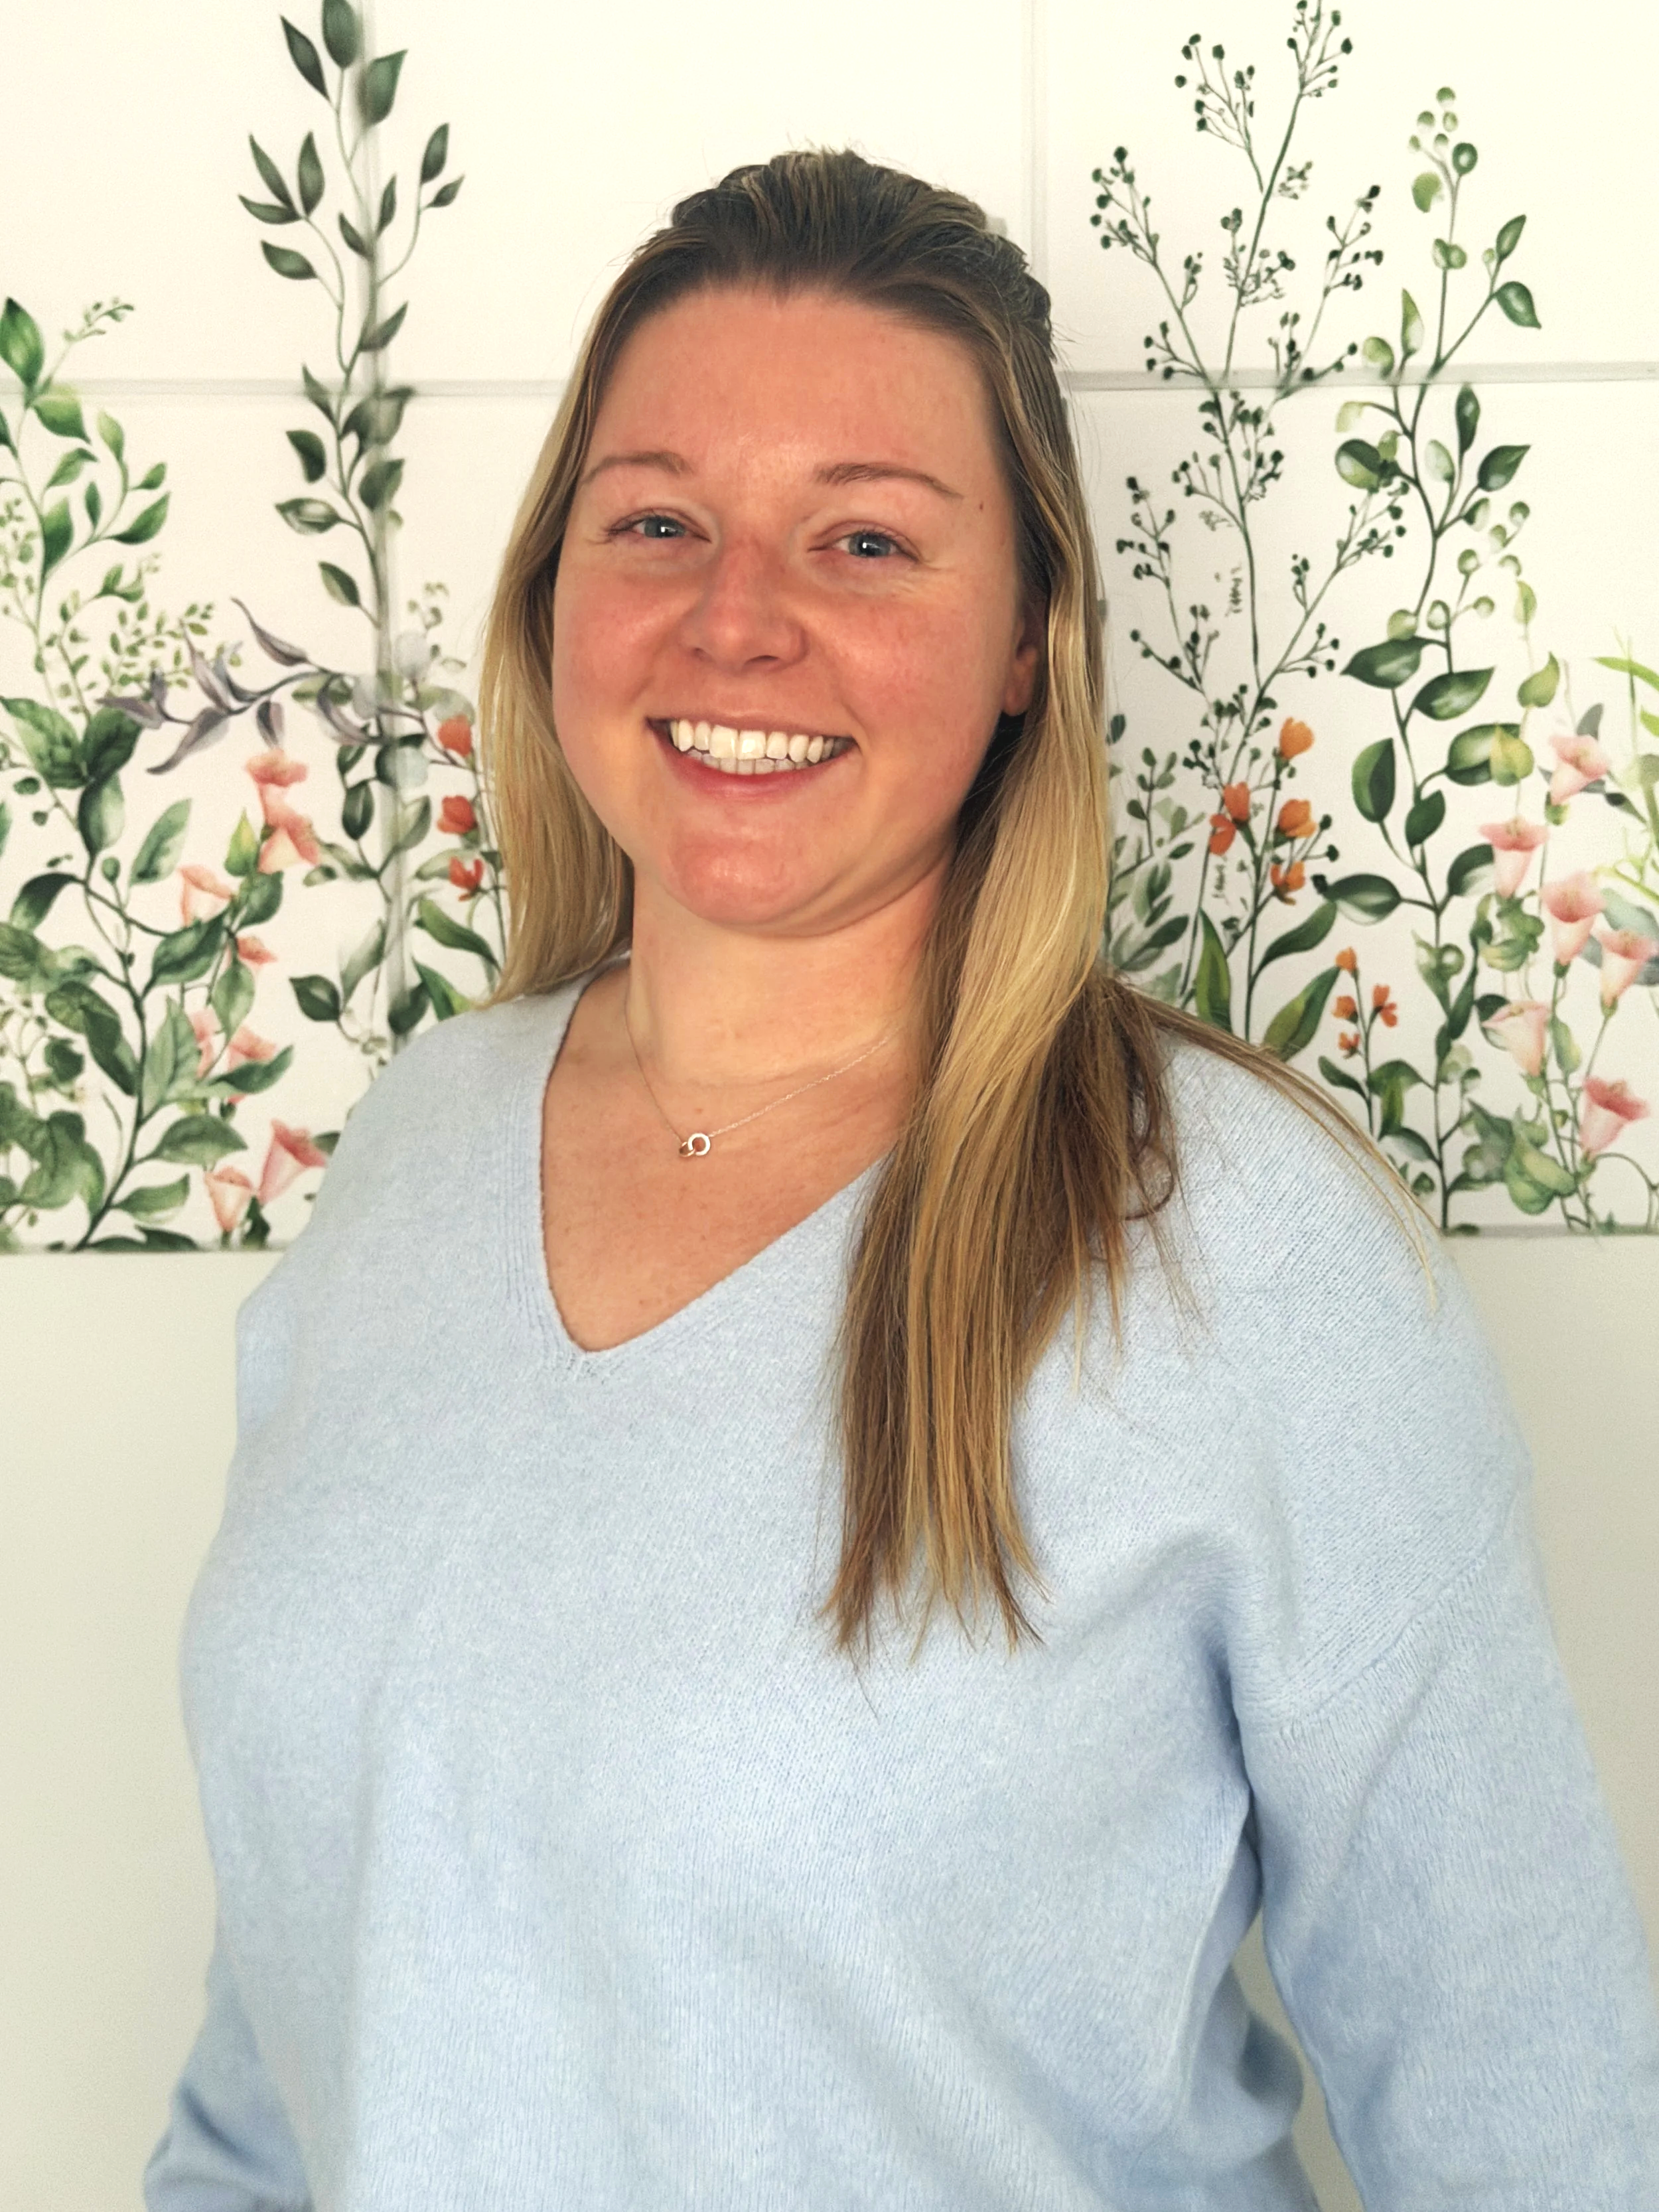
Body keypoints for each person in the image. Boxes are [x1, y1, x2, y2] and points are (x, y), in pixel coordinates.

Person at [146, 150, 1659, 2209]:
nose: (736, 617)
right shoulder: (416, 1152)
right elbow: (284, 2056)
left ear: (1030, 636)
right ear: (551, 589)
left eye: (864, 540)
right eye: (656, 519)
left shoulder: (1237, 1249)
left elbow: (1531, 2120)